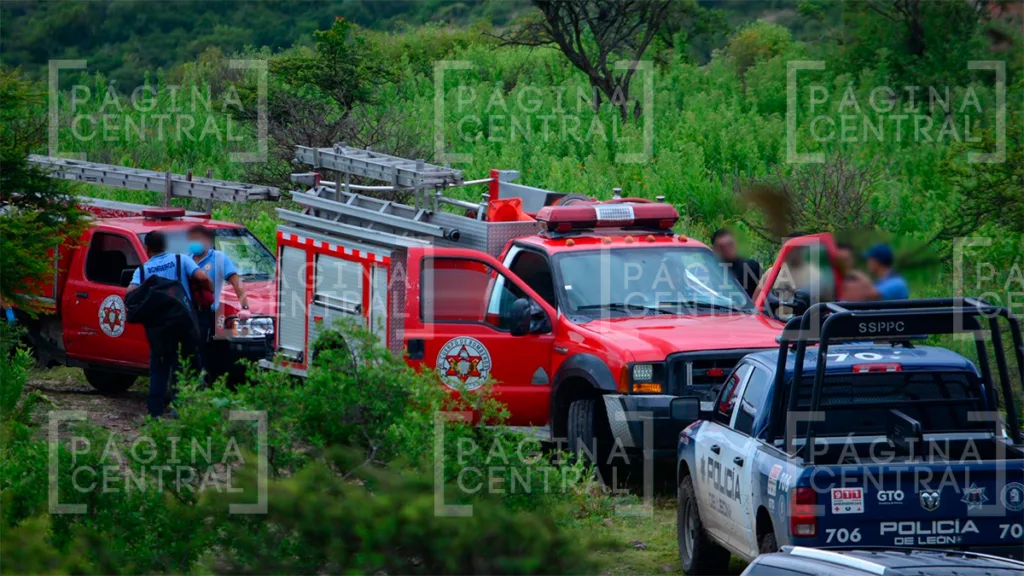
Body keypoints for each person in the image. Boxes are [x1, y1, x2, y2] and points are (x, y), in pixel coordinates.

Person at [127, 231, 212, 418]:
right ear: (165, 245)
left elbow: (130, 294)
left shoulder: (143, 270)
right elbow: (203, 278)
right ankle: (178, 410)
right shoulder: (182, 260)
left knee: (159, 369)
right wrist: (211, 292)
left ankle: (154, 414)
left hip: (158, 328)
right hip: (183, 323)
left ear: (147, 248)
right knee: (181, 366)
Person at [187, 225, 248, 376]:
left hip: (210, 314)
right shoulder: (187, 259)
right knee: (191, 353)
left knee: (211, 355)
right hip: (189, 315)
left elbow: (236, 282)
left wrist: (245, 306)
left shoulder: (219, 258)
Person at [710, 228, 762, 298]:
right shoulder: (709, 270)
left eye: (730, 244)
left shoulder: (751, 267)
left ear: (735, 244)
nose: (727, 249)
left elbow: (764, 294)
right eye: (722, 247)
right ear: (714, 249)